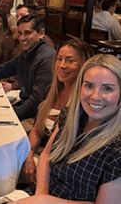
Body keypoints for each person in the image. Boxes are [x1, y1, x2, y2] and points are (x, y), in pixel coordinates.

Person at [8, 54, 121, 203]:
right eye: (89, 85)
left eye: (107, 88)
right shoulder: (70, 116)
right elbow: (47, 155)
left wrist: (46, 201)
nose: (95, 96)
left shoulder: (117, 149)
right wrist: (41, 193)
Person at [21, 39, 94, 184]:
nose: (62, 65)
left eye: (70, 60)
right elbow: (36, 130)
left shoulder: (85, 103)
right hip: (38, 155)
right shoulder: (51, 90)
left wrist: (39, 161)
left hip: (57, 167)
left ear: (85, 65)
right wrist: (28, 154)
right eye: (59, 59)